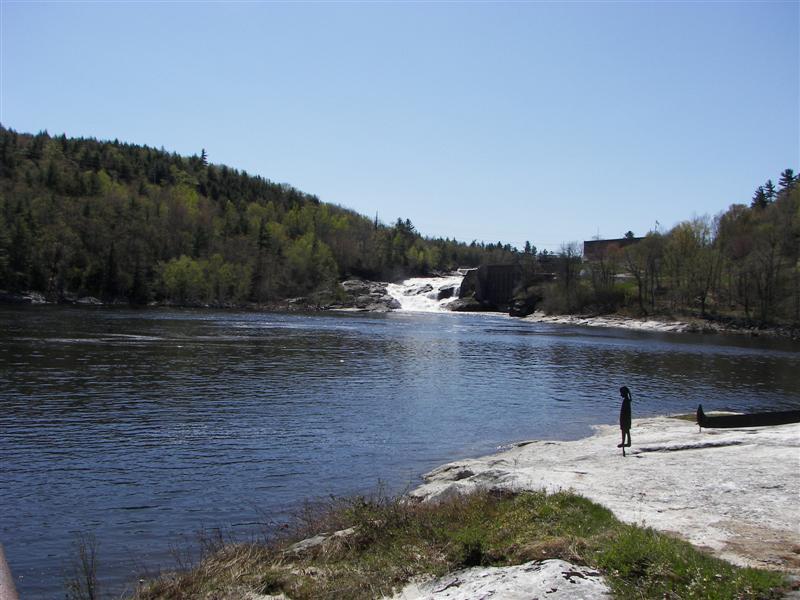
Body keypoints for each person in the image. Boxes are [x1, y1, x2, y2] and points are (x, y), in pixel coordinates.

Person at [618, 386, 632, 455]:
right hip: (626, 419)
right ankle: (627, 442)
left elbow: (625, 412)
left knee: (624, 431)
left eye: (621, 393)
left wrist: (623, 420)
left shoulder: (626, 401)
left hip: (625, 420)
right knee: (626, 431)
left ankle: (624, 443)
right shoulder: (627, 400)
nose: (620, 395)